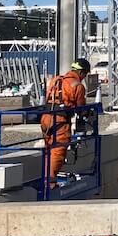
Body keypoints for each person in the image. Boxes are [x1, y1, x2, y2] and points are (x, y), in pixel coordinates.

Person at [39, 59, 90, 188]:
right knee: (57, 152)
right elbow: (81, 108)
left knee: (48, 150)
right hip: (60, 121)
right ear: (82, 72)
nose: (84, 77)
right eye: (85, 74)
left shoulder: (56, 80)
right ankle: (49, 184)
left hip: (46, 119)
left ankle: (46, 178)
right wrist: (87, 114)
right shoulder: (77, 85)